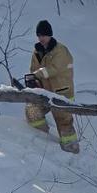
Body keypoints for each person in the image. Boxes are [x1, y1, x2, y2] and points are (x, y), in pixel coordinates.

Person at [25, 20, 80, 154]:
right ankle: (42, 140)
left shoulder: (60, 50)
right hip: (44, 93)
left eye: (44, 35)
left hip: (62, 93)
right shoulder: (37, 52)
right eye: (39, 35)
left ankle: (72, 151)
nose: (41, 38)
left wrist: (36, 75)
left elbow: (53, 69)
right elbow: (33, 69)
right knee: (32, 111)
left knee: (64, 123)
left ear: (50, 35)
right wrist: (32, 80)